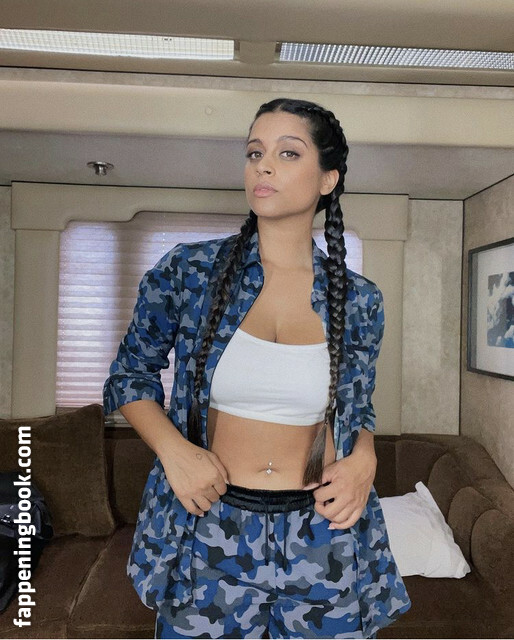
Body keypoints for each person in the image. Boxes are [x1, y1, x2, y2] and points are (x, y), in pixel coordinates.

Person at [103, 97, 411, 639]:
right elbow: (130, 375)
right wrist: (175, 453)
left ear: (328, 179)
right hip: (209, 521)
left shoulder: (359, 299)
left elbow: (357, 408)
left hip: (324, 529)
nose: (263, 166)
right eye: (254, 153)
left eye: (287, 153)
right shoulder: (190, 271)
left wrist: (366, 459)